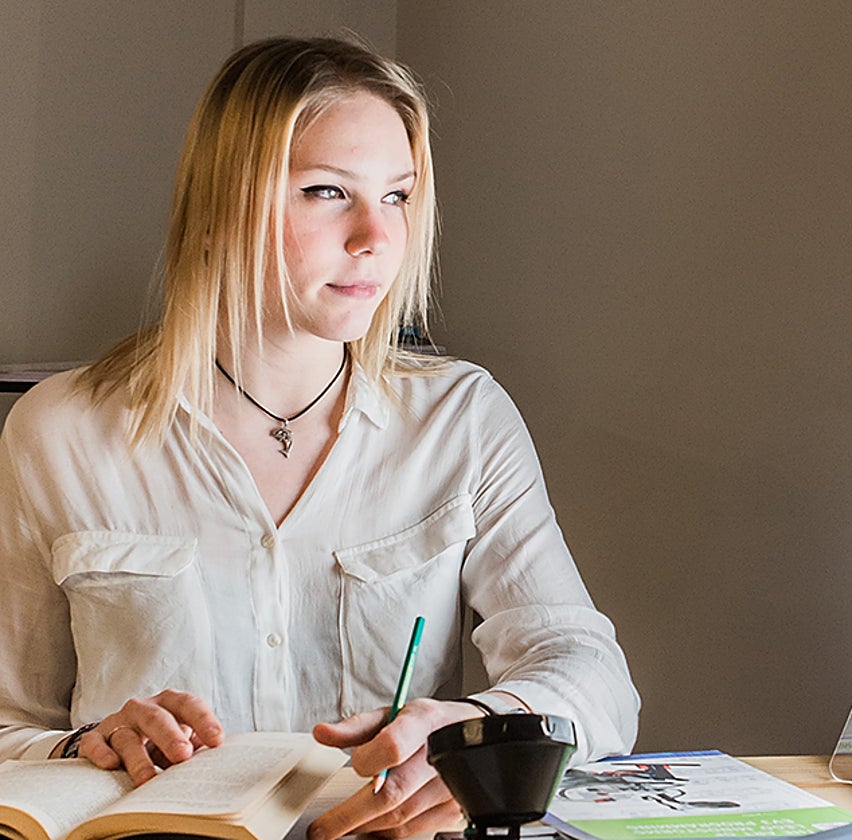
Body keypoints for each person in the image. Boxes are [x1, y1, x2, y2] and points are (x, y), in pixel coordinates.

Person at [0, 35, 639, 839]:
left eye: (399, 196)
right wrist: (85, 744)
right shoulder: (57, 433)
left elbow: (593, 677)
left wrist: (477, 732)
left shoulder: (461, 418)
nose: (377, 235)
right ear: (217, 209)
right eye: (327, 192)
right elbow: (6, 725)